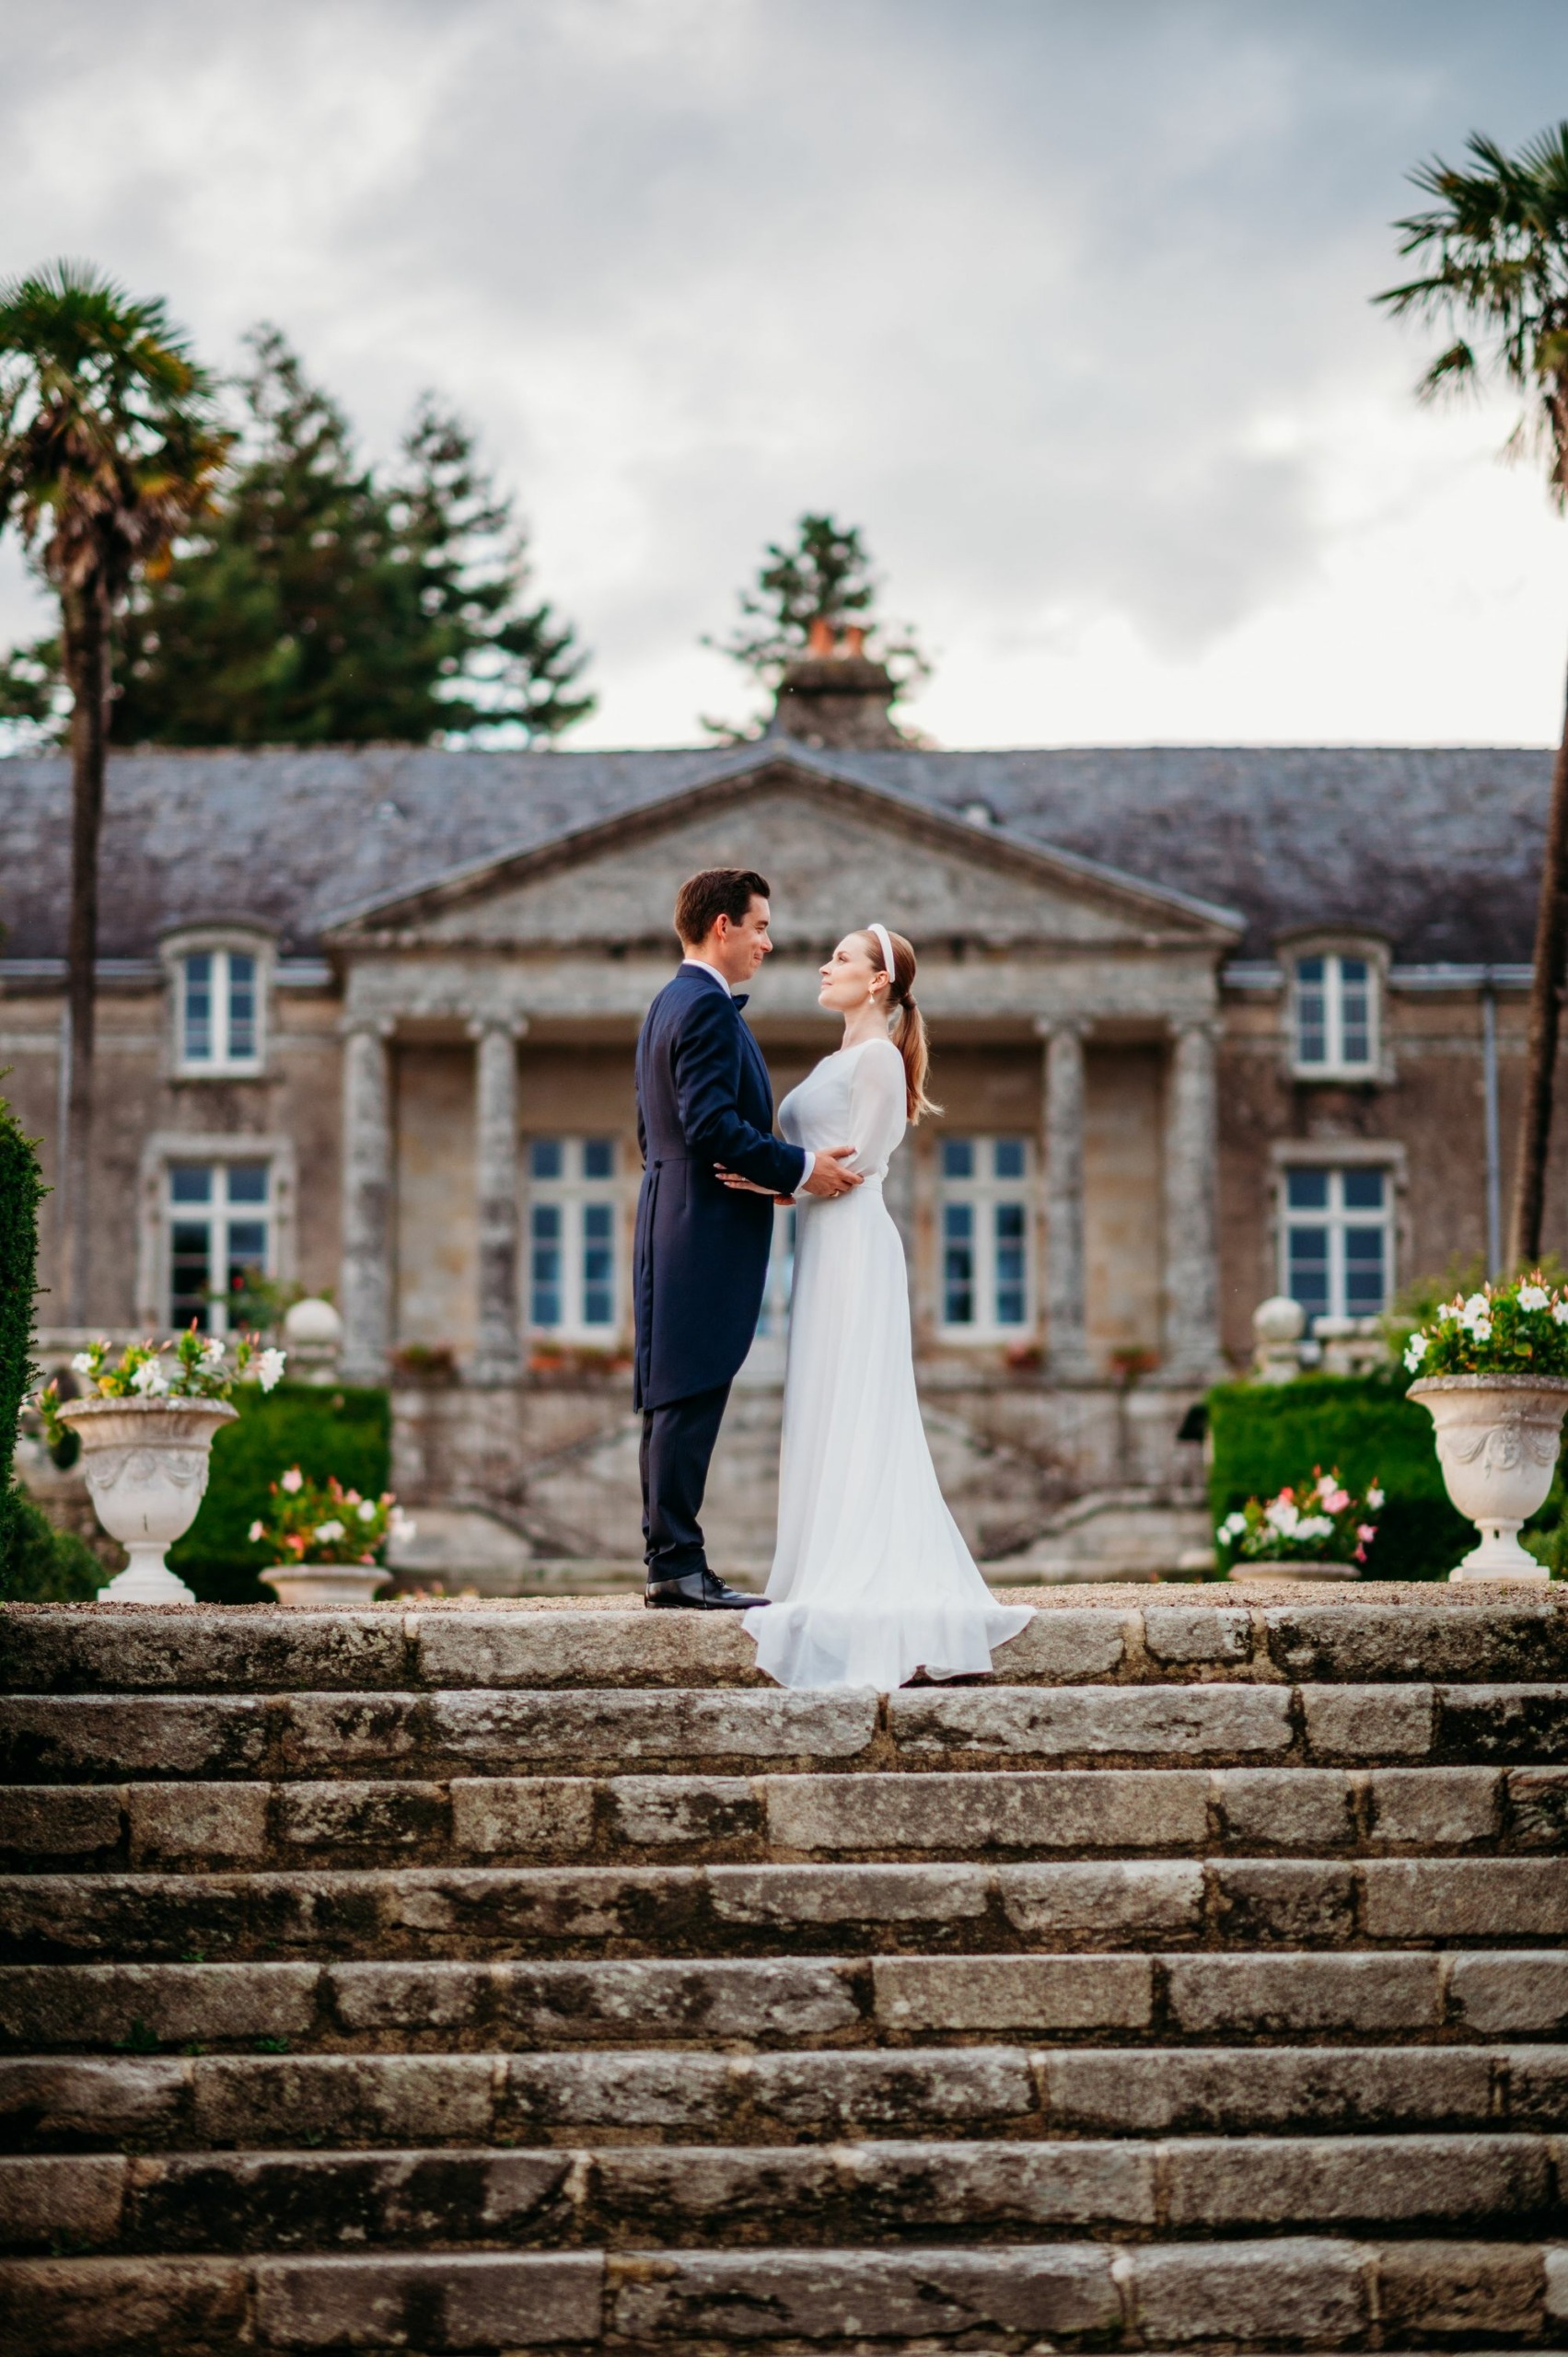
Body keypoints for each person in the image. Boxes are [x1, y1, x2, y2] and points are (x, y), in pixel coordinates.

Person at [726, 923, 1033, 1687]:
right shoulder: (842, 1057)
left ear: (876, 983)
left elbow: (856, 1167)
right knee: (826, 1397)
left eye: (841, 959)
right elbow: (817, 1163)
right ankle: (818, 1560)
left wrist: (770, 1179)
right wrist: (779, 1173)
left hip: (854, 1242)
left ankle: (860, 1567)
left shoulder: (875, 1061)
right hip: (821, 1245)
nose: (824, 966)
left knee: (859, 1398)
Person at [633, 867, 863, 1608]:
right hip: (702, 1224)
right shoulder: (702, 1009)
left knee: (677, 1390)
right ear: (722, 925)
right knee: (688, 1389)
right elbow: (708, 1126)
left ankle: (675, 1559)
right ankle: (677, 1565)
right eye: (759, 925)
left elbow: (653, 1131)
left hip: (676, 1210)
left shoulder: (668, 1004)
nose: (769, 941)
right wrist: (798, 1168)